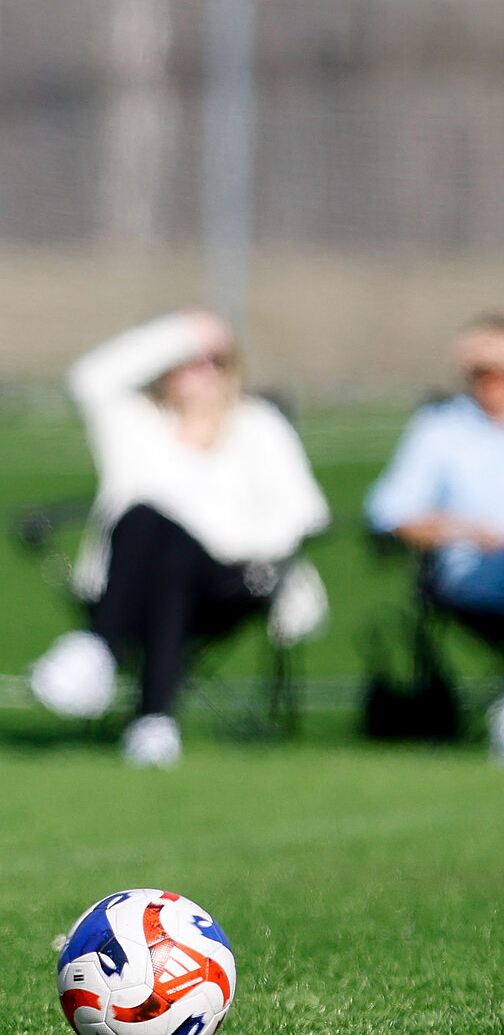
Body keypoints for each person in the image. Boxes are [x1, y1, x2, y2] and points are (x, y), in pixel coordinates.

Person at [28, 310, 331, 768]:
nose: (198, 371)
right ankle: (153, 723)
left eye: (211, 360)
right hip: (138, 581)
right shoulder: (139, 424)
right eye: (184, 360)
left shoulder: (258, 425)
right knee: (151, 530)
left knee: (168, 539)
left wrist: (217, 537)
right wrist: (180, 332)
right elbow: (90, 379)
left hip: (233, 579)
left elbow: (305, 513)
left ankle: (99, 649)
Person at [365, 315, 504, 753]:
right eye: (484, 372)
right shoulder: (441, 428)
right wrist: (465, 530)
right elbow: (389, 512)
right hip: (469, 575)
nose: (493, 383)